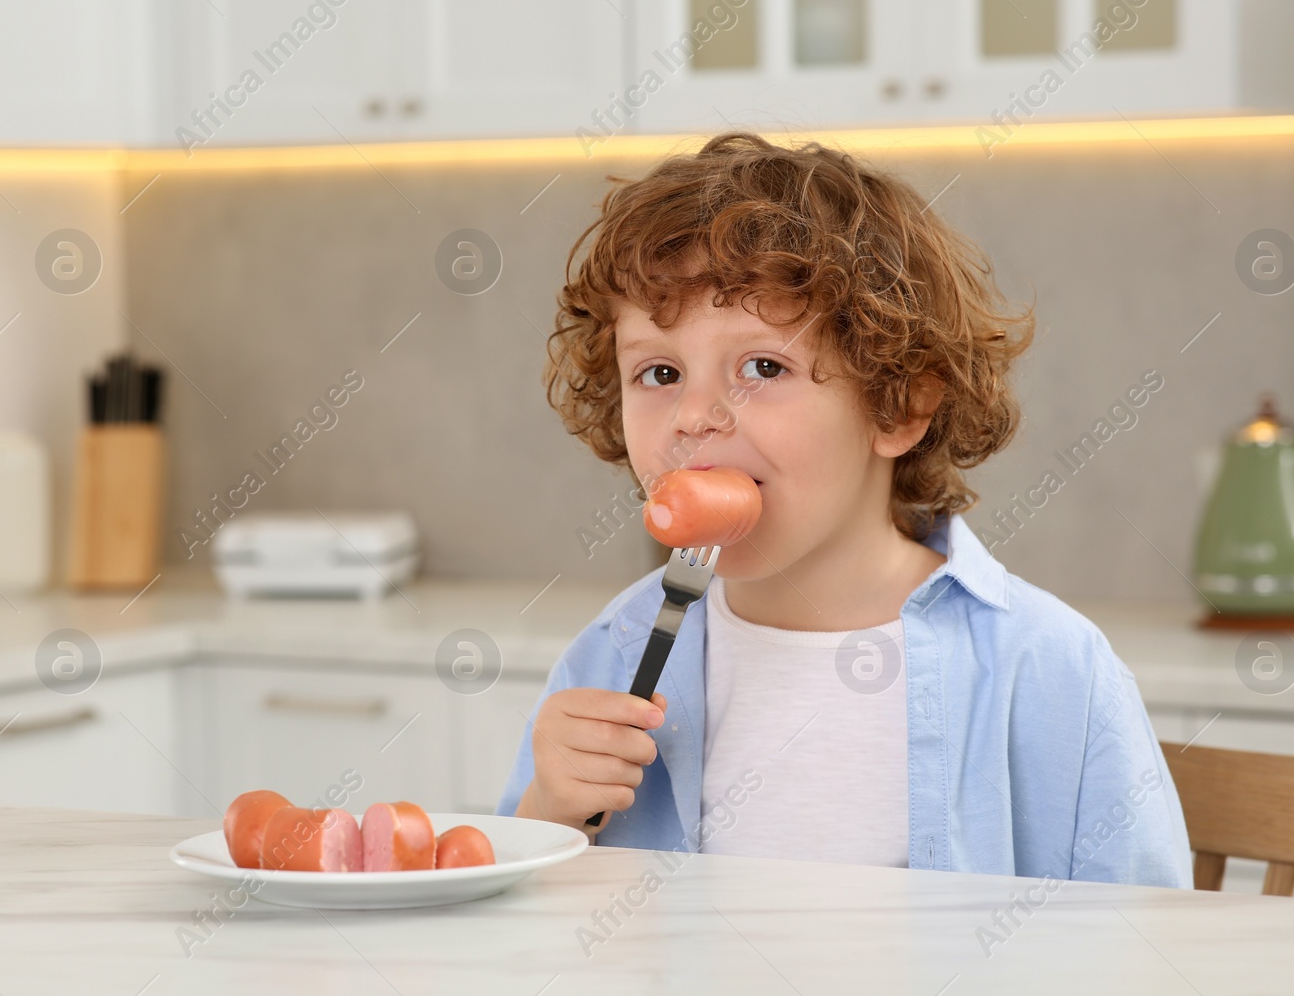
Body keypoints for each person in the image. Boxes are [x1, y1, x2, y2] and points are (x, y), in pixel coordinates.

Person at [496, 131, 1192, 887]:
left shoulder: (1049, 671)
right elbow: (528, 934)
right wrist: (549, 813)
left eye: (763, 366)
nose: (693, 416)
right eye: (659, 371)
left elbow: (1139, 941)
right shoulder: (613, 651)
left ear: (900, 405)